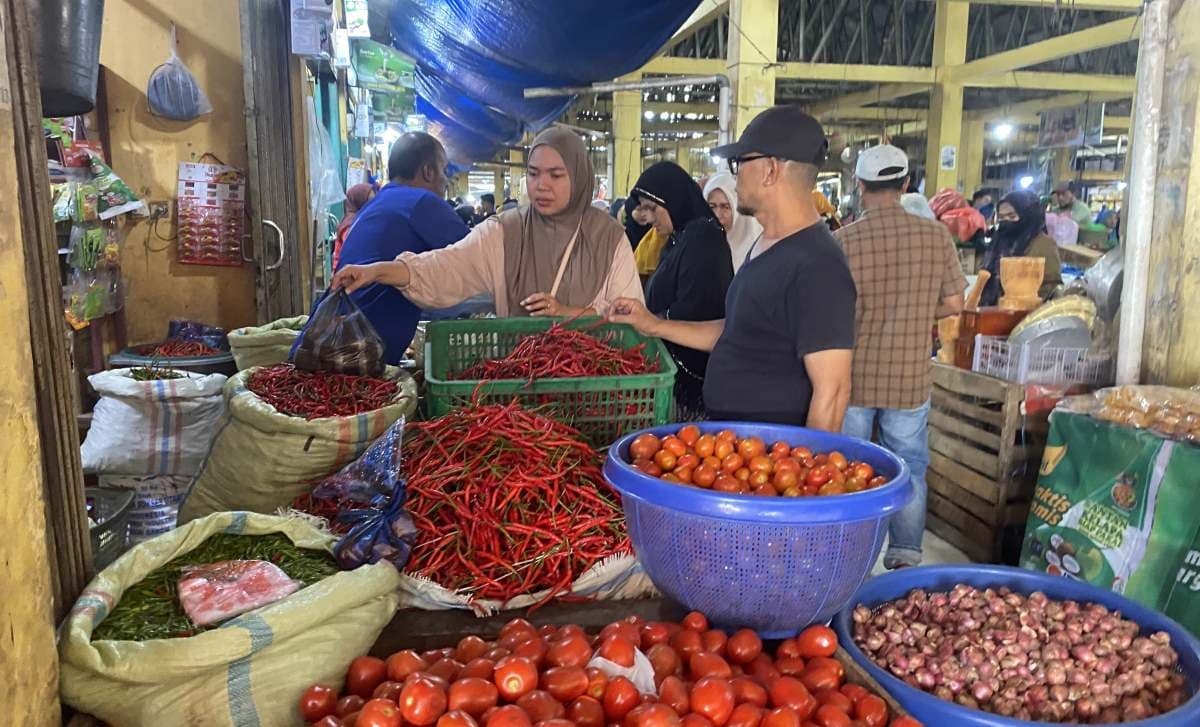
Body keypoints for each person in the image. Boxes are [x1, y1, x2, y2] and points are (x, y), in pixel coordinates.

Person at [610, 106, 857, 430]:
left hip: (769, 459)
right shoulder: (767, 244)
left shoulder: (818, 266)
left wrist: (800, 475)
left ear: (770, 170)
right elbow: (736, 331)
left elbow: (833, 391)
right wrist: (652, 324)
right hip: (735, 443)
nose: (735, 174)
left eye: (739, 164)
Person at [332, 127, 642, 319]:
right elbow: (448, 267)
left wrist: (567, 313)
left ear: (579, 176)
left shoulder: (609, 238)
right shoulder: (506, 231)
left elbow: (631, 318)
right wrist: (380, 270)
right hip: (523, 385)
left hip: (597, 387)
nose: (541, 186)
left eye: (556, 175)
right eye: (533, 174)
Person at [835, 144, 966, 570]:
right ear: (907, 184)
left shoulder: (843, 240)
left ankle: (851, 555)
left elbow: (828, 309)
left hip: (854, 377)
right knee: (908, 466)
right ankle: (906, 553)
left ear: (860, 186)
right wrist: (914, 313)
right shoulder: (935, 236)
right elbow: (953, 302)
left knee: (851, 467)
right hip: (909, 377)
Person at [331, 132, 468, 364]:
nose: (446, 181)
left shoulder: (375, 204)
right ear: (428, 171)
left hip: (335, 341)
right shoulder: (422, 201)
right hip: (360, 357)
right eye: (444, 171)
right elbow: (478, 257)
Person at [633, 162, 734, 418]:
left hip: (691, 381)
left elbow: (698, 309)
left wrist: (656, 320)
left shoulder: (703, 238)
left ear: (672, 199)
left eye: (653, 208)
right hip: (675, 371)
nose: (649, 218)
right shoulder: (681, 238)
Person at [979, 190, 1064, 306]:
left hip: (1027, 314)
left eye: (1012, 216)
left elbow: (1051, 286)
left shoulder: (1044, 245)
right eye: (1002, 217)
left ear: (1029, 215)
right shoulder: (999, 241)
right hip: (993, 311)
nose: (1006, 222)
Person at [703, 172, 762, 271]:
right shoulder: (702, 244)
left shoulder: (756, 249)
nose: (717, 215)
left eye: (725, 207)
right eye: (712, 206)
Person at [331, 183, 375, 271]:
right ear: (360, 202)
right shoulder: (350, 224)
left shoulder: (361, 220)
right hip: (346, 274)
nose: (373, 206)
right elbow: (354, 250)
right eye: (369, 202)